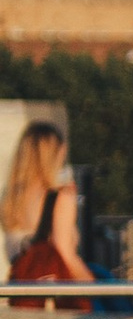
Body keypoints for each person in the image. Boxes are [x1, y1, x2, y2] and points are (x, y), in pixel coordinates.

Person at [1, 119, 88, 286]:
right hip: (56, 295)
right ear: (58, 153)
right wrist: (97, 289)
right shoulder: (58, 199)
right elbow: (65, 254)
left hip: (24, 296)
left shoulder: (10, 200)